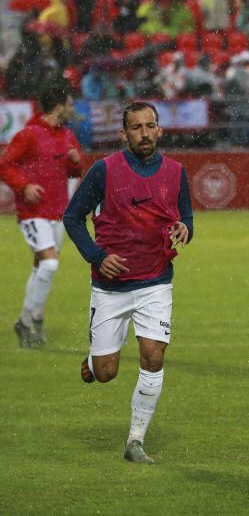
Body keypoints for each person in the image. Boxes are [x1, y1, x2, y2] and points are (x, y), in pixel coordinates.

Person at [63, 101, 194, 464]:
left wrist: (186, 229)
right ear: (124, 134)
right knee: (106, 373)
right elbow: (72, 218)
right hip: (111, 286)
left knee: (153, 356)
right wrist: (97, 256)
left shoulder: (176, 171)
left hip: (155, 282)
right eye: (136, 128)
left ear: (160, 130)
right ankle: (94, 360)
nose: (145, 133)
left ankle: (135, 441)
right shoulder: (104, 171)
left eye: (150, 126)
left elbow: (186, 217)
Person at [0, 84, 82, 347]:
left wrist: (74, 161)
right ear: (58, 105)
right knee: (49, 264)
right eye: (69, 103)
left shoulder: (67, 135)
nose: (72, 108)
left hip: (58, 212)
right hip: (33, 212)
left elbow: (73, 172)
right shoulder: (29, 135)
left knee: (41, 268)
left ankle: (33, 320)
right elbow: (4, 164)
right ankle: (25, 322)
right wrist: (24, 185)